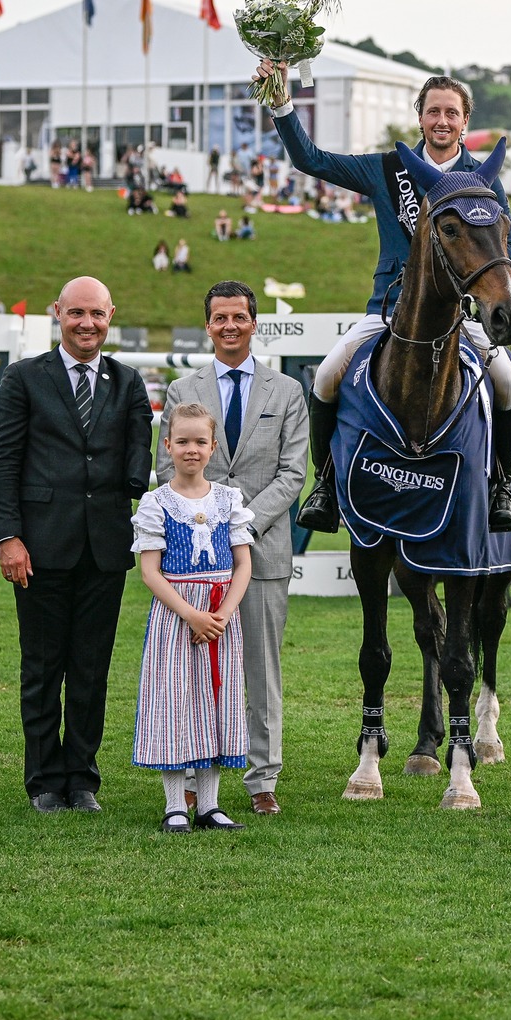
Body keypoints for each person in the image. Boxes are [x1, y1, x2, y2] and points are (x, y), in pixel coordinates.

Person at [260, 63, 511, 534]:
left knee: (508, 384)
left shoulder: (481, 177)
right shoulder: (387, 168)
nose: (442, 120)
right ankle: (324, 485)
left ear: (465, 121)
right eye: (433, 112)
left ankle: (501, 488)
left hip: (457, 316)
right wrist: (281, 101)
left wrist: (486, 262)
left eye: (451, 113)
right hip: (388, 310)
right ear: (419, 118)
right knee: (325, 378)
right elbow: (311, 160)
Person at [0, 276, 154, 814]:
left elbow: (139, 453)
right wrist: (8, 537)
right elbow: (3, 461)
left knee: (91, 670)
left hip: (104, 549)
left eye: (97, 314)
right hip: (37, 550)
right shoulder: (22, 378)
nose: (87, 324)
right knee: (42, 669)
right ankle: (43, 781)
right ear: (57, 312)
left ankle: (82, 779)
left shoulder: (128, 382)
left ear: (110, 316)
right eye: (77, 313)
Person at [159, 281, 308, 816]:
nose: (229, 326)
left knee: (262, 670)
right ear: (208, 325)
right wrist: (206, 521)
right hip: (193, 561)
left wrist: (238, 524)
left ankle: (262, 777)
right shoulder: (183, 390)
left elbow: (293, 473)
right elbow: (167, 467)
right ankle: (193, 777)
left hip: (261, 552)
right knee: (194, 671)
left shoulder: (286, 391)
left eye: (239, 317)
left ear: (253, 323)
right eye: (220, 317)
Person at [132, 401, 254, 833]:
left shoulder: (228, 499)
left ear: (213, 447)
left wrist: (221, 614)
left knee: (216, 703)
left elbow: (243, 564)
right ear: (167, 445)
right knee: (176, 702)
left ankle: (210, 805)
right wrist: (191, 615)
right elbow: (150, 571)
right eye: (182, 441)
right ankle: (175, 806)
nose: (191, 449)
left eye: (200, 441)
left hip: (220, 617)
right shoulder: (156, 503)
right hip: (176, 617)